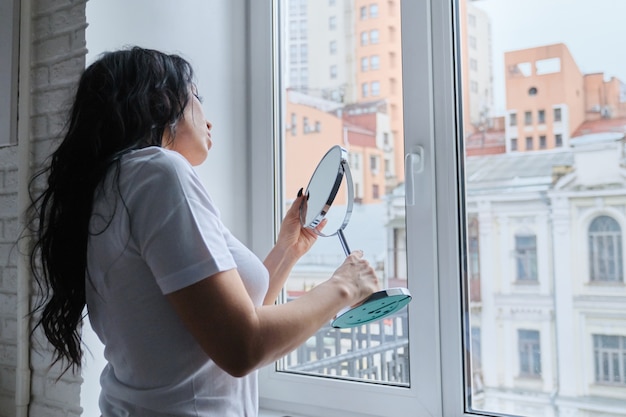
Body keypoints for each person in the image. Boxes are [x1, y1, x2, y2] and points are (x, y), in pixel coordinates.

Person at [26, 46, 378, 416]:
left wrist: (288, 250)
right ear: (162, 102)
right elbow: (242, 346)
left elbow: (218, 319)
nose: (208, 121)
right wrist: (345, 287)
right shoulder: (159, 173)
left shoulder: (115, 186)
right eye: (196, 97)